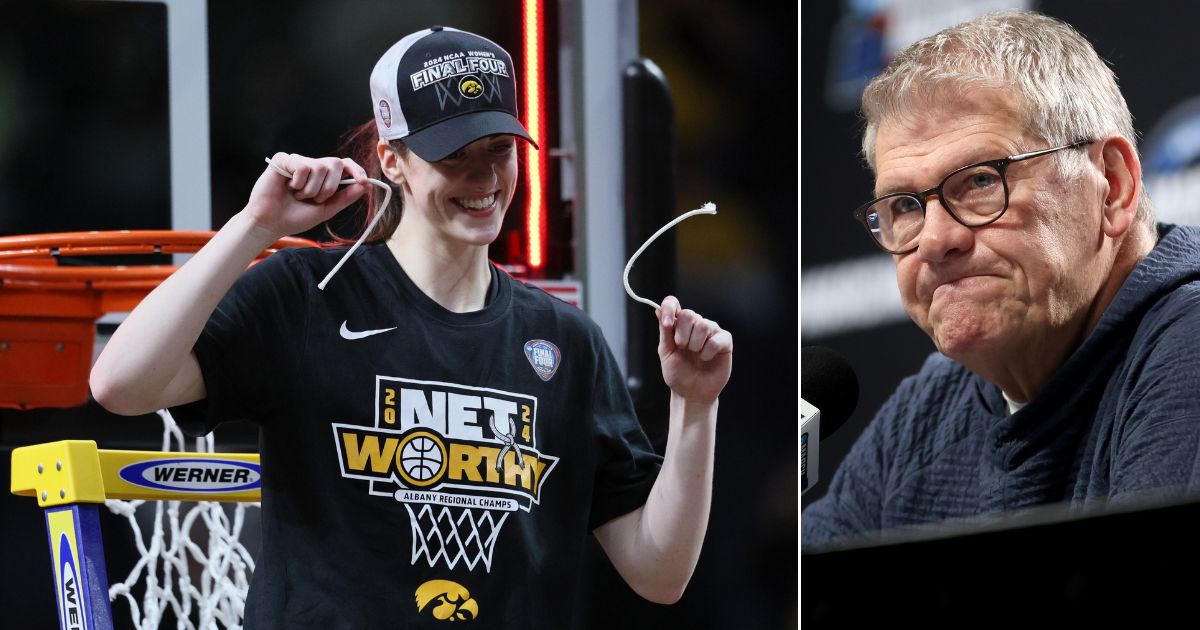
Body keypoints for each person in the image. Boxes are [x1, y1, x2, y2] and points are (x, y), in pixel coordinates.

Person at [89, 26, 732, 627]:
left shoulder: (568, 341)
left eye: (499, 150)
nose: (484, 178)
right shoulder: (311, 294)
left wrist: (695, 407)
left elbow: (659, 573)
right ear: (392, 159)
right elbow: (120, 384)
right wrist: (256, 227)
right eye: (454, 154)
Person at [802, 10, 1200, 550]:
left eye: (980, 181)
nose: (935, 240)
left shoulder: (1188, 348)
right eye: (903, 205)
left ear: (1112, 185)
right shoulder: (924, 415)